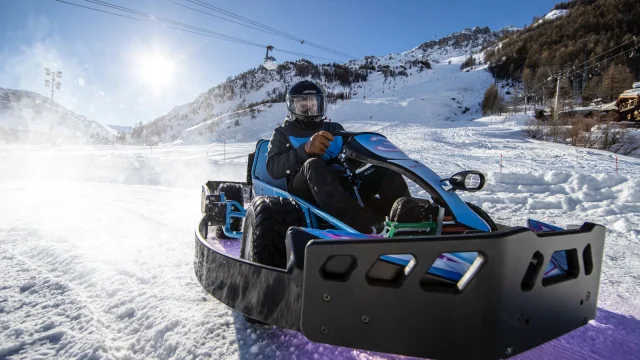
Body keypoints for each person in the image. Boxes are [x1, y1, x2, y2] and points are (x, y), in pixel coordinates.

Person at [265, 80, 411, 234]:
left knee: (385, 169)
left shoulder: (334, 128)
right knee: (313, 164)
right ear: (292, 106)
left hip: (341, 183)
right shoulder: (282, 133)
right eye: (303, 105)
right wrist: (306, 149)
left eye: (313, 104)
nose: (309, 108)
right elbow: (273, 168)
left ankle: (407, 215)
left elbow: (351, 159)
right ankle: (366, 224)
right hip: (305, 188)